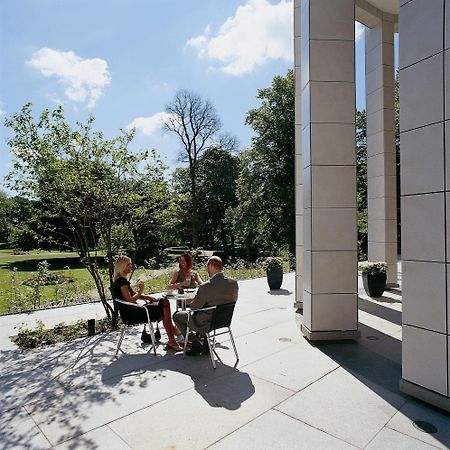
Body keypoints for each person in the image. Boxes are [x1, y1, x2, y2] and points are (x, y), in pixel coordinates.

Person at [113, 255, 182, 351]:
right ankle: (173, 336)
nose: (130, 266)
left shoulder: (121, 280)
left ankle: (172, 337)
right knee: (164, 303)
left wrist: (147, 297)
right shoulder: (122, 282)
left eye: (131, 264)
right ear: (122, 266)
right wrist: (141, 291)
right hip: (133, 314)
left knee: (163, 303)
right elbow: (130, 300)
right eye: (128, 264)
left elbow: (133, 294)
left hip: (133, 311)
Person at [173, 256, 238, 355]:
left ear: (211, 266)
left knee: (177, 315)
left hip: (206, 322)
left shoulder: (206, 286)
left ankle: (195, 343)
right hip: (223, 320)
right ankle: (205, 343)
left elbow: (194, 307)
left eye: (207, 266)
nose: (206, 269)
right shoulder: (233, 283)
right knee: (204, 311)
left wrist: (192, 301)